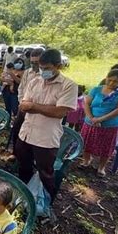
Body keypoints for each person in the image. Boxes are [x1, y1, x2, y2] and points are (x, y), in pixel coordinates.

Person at [15, 49, 77, 201]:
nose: (43, 71)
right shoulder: (34, 81)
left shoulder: (68, 86)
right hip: (26, 133)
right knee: (23, 167)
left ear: (58, 66)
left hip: (46, 138)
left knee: (46, 173)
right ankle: (25, 199)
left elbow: (60, 112)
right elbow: (23, 105)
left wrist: (34, 107)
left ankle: (48, 202)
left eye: (47, 68)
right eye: (41, 68)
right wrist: (43, 108)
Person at [81, 69, 118, 177]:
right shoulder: (97, 89)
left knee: (106, 146)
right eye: (110, 80)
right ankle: (86, 160)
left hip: (109, 124)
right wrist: (91, 117)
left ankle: (101, 167)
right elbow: (86, 103)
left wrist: (101, 119)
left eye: (115, 81)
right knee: (87, 142)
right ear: (106, 77)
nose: (111, 83)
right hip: (91, 121)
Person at [9, 47, 44, 155]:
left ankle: (30, 157)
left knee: (33, 136)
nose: (34, 65)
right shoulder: (28, 73)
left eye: (37, 63)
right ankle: (15, 154)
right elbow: (21, 88)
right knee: (16, 130)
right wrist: (21, 102)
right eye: (32, 62)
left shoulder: (46, 76)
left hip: (37, 111)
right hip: (23, 108)